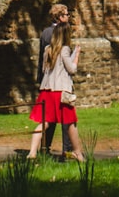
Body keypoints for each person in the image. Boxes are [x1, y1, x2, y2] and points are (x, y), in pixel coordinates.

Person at [27, 19, 84, 162]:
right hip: (61, 91)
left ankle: (32, 152)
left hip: (47, 91)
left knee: (44, 122)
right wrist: (76, 56)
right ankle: (77, 153)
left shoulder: (48, 49)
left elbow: (46, 68)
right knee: (70, 122)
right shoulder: (65, 49)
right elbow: (71, 69)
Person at [39, 3, 71, 157]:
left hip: (47, 81)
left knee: (49, 117)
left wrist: (40, 79)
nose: (68, 17)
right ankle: (68, 149)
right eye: (66, 15)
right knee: (66, 116)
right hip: (59, 81)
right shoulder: (57, 33)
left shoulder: (45, 32)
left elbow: (42, 59)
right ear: (59, 17)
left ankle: (44, 147)